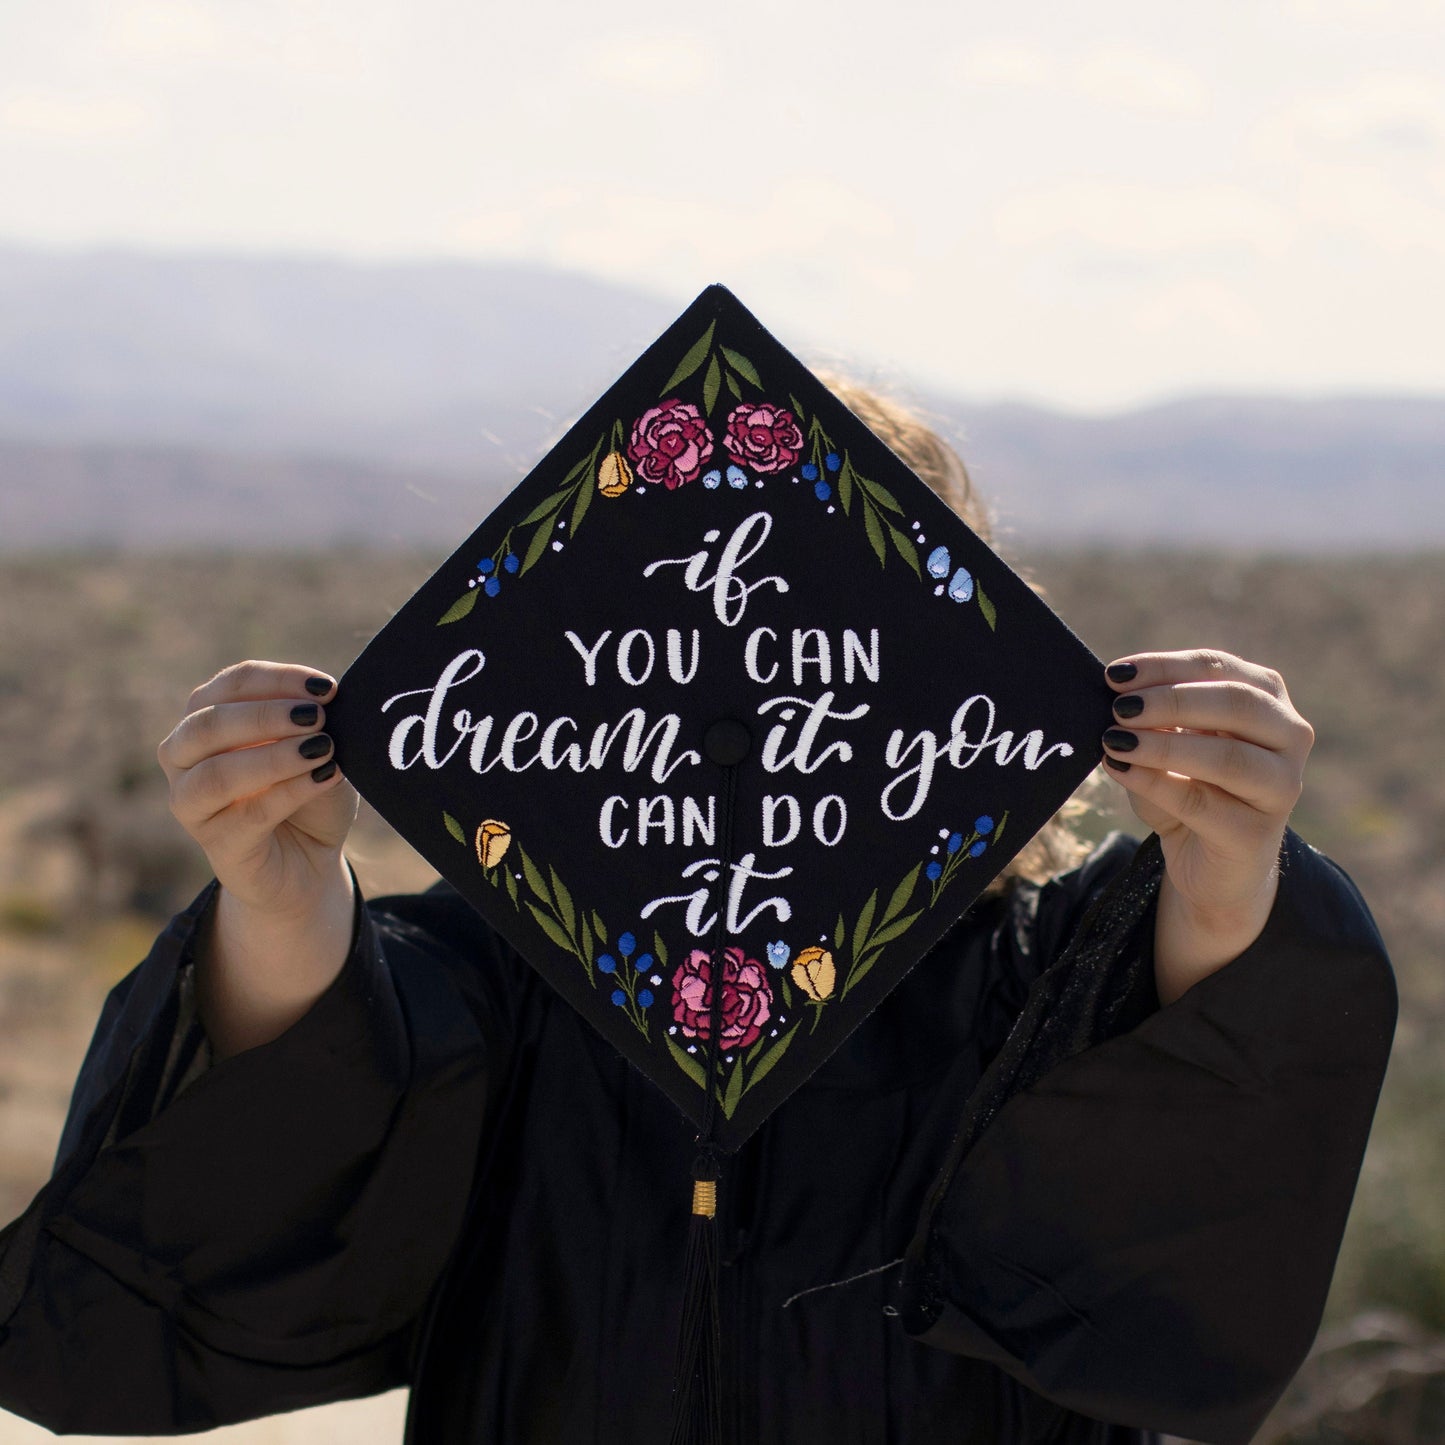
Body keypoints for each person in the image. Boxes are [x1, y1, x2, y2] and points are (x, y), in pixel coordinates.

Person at [0, 389, 1395, 1445]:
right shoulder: (519, 976)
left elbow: (1199, 1037)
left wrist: (1227, 860)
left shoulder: (1033, 985)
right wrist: (280, 894)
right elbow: (331, 1073)